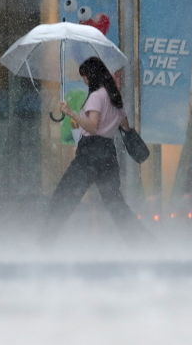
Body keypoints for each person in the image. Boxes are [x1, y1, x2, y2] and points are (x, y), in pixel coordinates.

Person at [39, 57, 150, 247]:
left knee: (63, 196)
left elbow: (92, 126)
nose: (84, 81)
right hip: (108, 152)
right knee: (115, 203)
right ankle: (141, 242)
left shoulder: (96, 96)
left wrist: (71, 113)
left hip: (90, 153)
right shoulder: (114, 97)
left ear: (91, 75)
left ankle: (45, 242)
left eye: (85, 77)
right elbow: (124, 125)